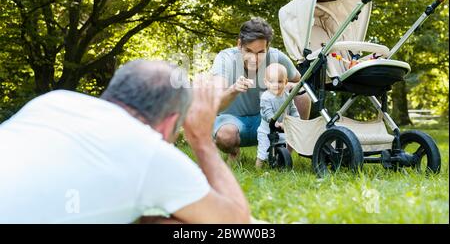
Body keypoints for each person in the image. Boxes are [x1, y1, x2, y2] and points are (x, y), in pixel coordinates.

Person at [0, 60, 250, 224]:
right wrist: (202, 139)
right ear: (169, 123)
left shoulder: (53, 101)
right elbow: (236, 223)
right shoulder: (151, 152)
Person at [210, 17, 310, 161]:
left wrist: (289, 86)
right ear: (239, 45)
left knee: (302, 95)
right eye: (249, 51)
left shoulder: (277, 57)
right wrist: (233, 89)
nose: (254, 59)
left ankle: (284, 153)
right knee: (226, 137)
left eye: (260, 52)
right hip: (232, 121)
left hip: (266, 118)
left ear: (267, 47)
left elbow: (302, 84)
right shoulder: (224, 59)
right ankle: (234, 152)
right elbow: (216, 103)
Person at [256, 63, 300, 168]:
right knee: (263, 152)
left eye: (280, 81)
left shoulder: (286, 95)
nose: (276, 85)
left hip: (281, 128)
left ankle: (279, 165)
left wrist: (296, 120)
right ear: (266, 82)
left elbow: (293, 110)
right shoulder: (266, 97)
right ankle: (258, 169)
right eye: (272, 81)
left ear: (285, 82)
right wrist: (275, 123)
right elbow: (268, 113)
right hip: (267, 130)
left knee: (281, 148)